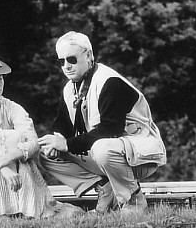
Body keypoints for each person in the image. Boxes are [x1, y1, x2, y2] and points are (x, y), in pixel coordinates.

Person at [38, 31, 166, 215]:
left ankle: (134, 200)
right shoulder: (71, 87)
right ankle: (104, 187)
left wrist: (66, 144)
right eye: (61, 61)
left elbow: (109, 130)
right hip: (108, 154)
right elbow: (62, 123)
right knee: (46, 154)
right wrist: (55, 139)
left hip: (140, 155)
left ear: (89, 55)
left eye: (72, 59)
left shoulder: (110, 82)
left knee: (102, 148)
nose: (66, 66)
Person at [0, 42, 83, 221]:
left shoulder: (13, 108)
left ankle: (24, 205)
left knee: (15, 139)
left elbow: (32, 142)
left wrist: (8, 157)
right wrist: (2, 167)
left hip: (18, 167)